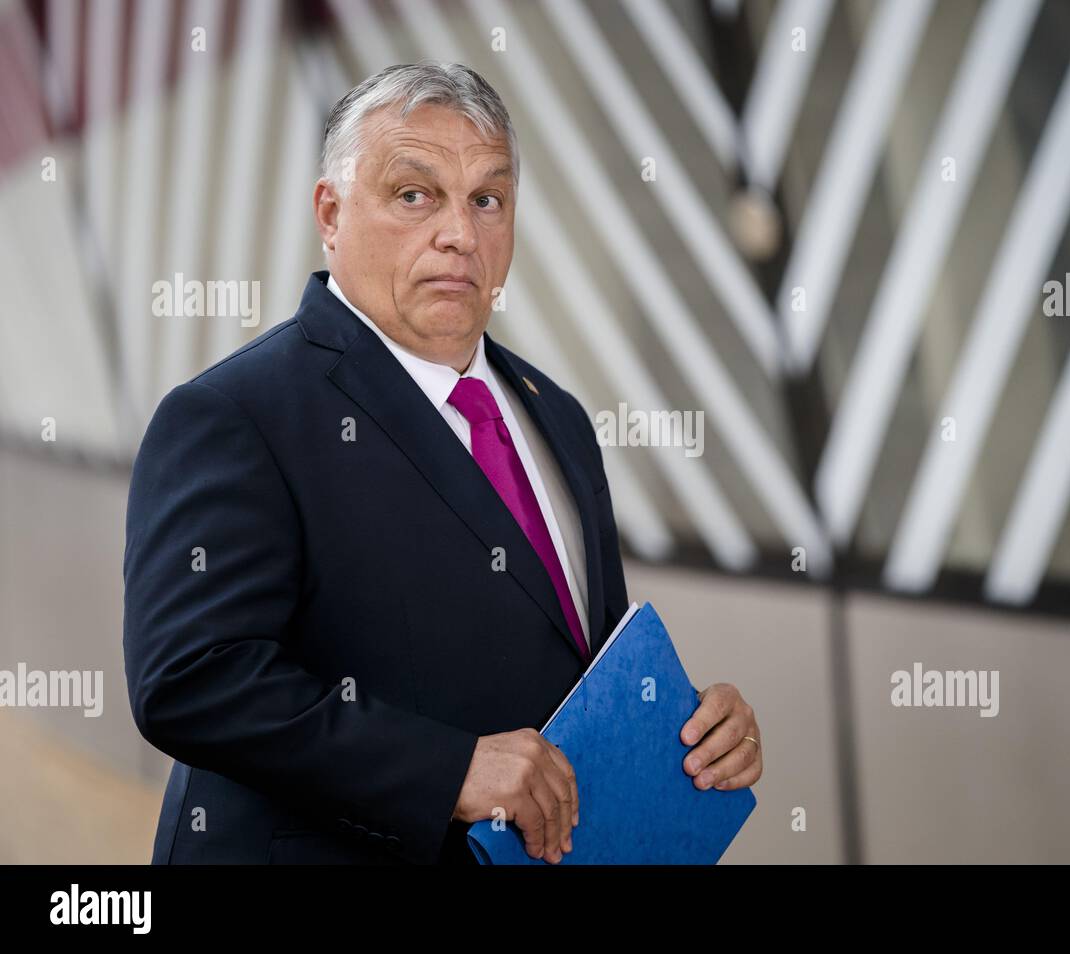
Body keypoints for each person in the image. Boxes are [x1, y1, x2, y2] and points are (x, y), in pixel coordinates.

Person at [123, 61, 763, 865]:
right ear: (331, 212)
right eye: (414, 194)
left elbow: (569, 669)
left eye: (486, 199)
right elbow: (191, 679)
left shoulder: (556, 416)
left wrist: (686, 730)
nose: (460, 233)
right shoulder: (236, 415)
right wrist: (447, 769)